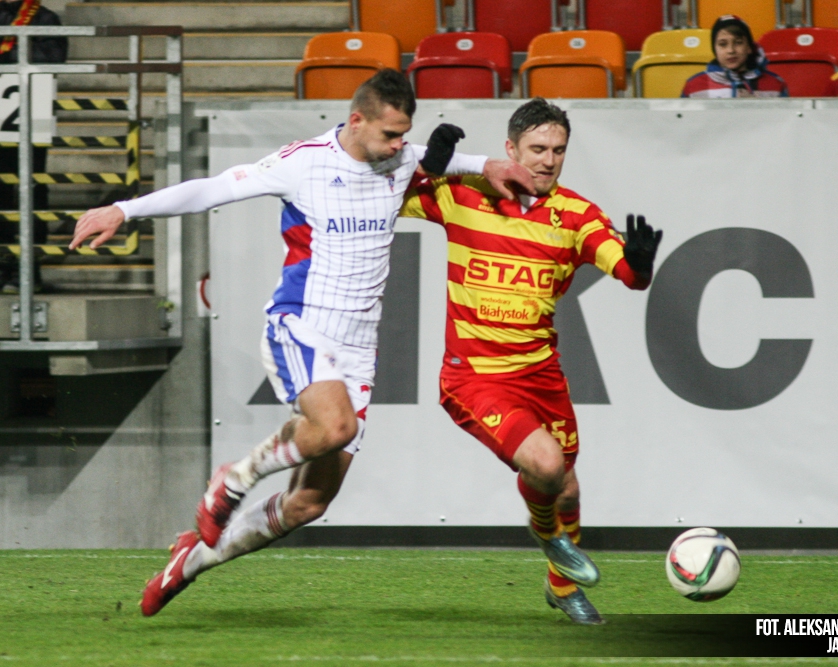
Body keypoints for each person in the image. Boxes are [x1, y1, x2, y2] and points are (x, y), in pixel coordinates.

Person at [69, 69, 534, 617]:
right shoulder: (303, 163)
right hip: (303, 324)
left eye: (404, 135)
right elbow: (213, 189)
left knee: (307, 504)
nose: (399, 146)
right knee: (337, 428)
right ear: (356, 120)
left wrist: (492, 164)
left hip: (358, 348)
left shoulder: (401, 157)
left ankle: (190, 562)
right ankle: (234, 478)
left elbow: (454, 162)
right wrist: (124, 210)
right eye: (390, 134)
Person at [399, 98, 662, 625]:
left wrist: (640, 265)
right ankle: (546, 536)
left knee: (566, 486)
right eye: (538, 148)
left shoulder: (576, 216)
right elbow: (384, 195)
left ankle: (562, 588)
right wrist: (427, 167)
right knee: (545, 465)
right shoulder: (463, 194)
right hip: (474, 376)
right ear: (510, 149)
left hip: (541, 374)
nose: (548, 160)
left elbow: (629, 275)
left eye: (558, 150)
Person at [0, 0, 68, 292]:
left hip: (30, 108)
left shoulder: (44, 17)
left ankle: (29, 266)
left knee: (32, 188)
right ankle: (3, 263)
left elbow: (52, 59)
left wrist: (11, 53)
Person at [681, 15, 788, 98]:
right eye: (723, 44)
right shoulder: (694, 85)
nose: (731, 50)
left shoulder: (775, 84)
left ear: (749, 47)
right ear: (714, 49)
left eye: (738, 43)